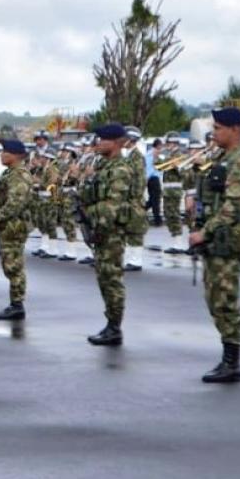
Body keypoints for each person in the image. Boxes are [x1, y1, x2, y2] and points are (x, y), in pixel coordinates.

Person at [190, 108, 240, 383]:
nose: (214, 132)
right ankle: (229, 358)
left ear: (235, 130)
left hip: (227, 239)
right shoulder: (223, 158)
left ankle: (232, 363)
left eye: (219, 128)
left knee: (224, 300)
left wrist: (205, 232)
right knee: (214, 298)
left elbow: (235, 206)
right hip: (217, 239)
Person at [83, 123, 135, 346]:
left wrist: (99, 228)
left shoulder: (120, 170)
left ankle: (114, 327)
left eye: (102, 140)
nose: (98, 144)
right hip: (101, 230)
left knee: (112, 280)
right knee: (103, 279)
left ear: (114, 143)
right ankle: (110, 324)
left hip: (110, 232)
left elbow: (112, 205)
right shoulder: (104, 167)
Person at [0, 139, 32, 320]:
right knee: (9, 264)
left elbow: (15, 203)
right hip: (8, 226)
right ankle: (15, 302)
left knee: (14, 266)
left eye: (7, 152)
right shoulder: (9, 173)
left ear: (18, 155)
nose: (3, 155)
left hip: (14, 226)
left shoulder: (19, 175)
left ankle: (17, 304)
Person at [122, 126, 148, 271]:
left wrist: (134, 197)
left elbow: (139, 180)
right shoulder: (129, 155)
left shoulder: (137, 157)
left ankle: (136, 260)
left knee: (136, 229)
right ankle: (131, 258)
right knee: (129, 229)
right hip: (129, 197)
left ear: (131, 140)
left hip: (134, 199)